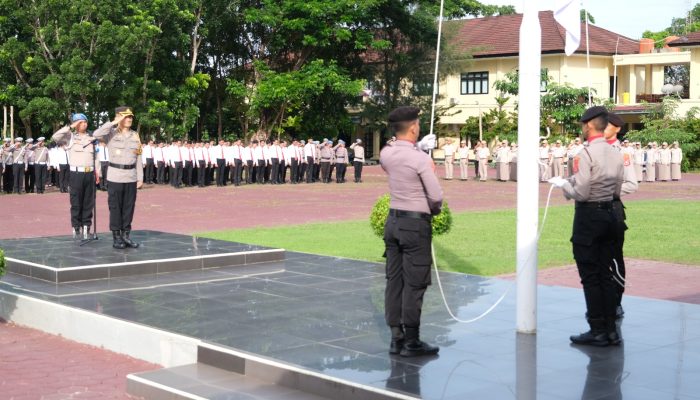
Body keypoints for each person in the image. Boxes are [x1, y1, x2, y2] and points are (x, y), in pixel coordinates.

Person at [549, 106, 624, 347]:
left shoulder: (586, 153)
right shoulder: (616, 151)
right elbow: (617, 189)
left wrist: (563, 185)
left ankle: (597, 328)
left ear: (588, 125)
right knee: (606, 275)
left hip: (590, 217)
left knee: (590, 276)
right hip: (611, 214)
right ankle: (612, 330)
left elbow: (580, 192)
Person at [381, 106, 442, 357]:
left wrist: (419, 149)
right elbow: (436, 196)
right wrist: (424, 155)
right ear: (415, 128)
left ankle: (396, 337)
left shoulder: (386, 153)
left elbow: (398, 157)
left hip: (393, 221)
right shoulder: (420, 159)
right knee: (415, 283)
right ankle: (412, 341)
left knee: (394, 281)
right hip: (415, 224)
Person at [93, 106, 144, 249]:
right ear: (119, 117)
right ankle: (116, 237)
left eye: (130, 117)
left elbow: (139, 157)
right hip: (115, 176)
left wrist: (140, 177)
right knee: (115, 208)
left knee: (129, 207)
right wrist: (113, 122)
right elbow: (96, 134)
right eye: (126, 117)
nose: (129, 119)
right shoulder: (111, 133)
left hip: (131, 176)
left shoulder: (135, 135)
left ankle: (126, 236)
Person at [604, 113, 638, 320]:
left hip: (613, 212)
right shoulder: (590, 150)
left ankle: (616, 302)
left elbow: (632, 184)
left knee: (615, 259)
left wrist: (607, 192)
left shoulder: (622, 153)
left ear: (615, 128)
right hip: (592, 213)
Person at [52, 113, 100, 239]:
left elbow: (96, 157)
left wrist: (98, 172)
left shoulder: (92, 139)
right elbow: (55, 137)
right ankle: (76, 227)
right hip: (76, 174)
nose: (83, 124)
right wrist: (70, 126)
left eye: (84, 122)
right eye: (79, 122)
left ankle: (86, 226)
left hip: (89, 173)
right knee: (76, 201)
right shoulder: (70, 137)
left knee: (88, 202)